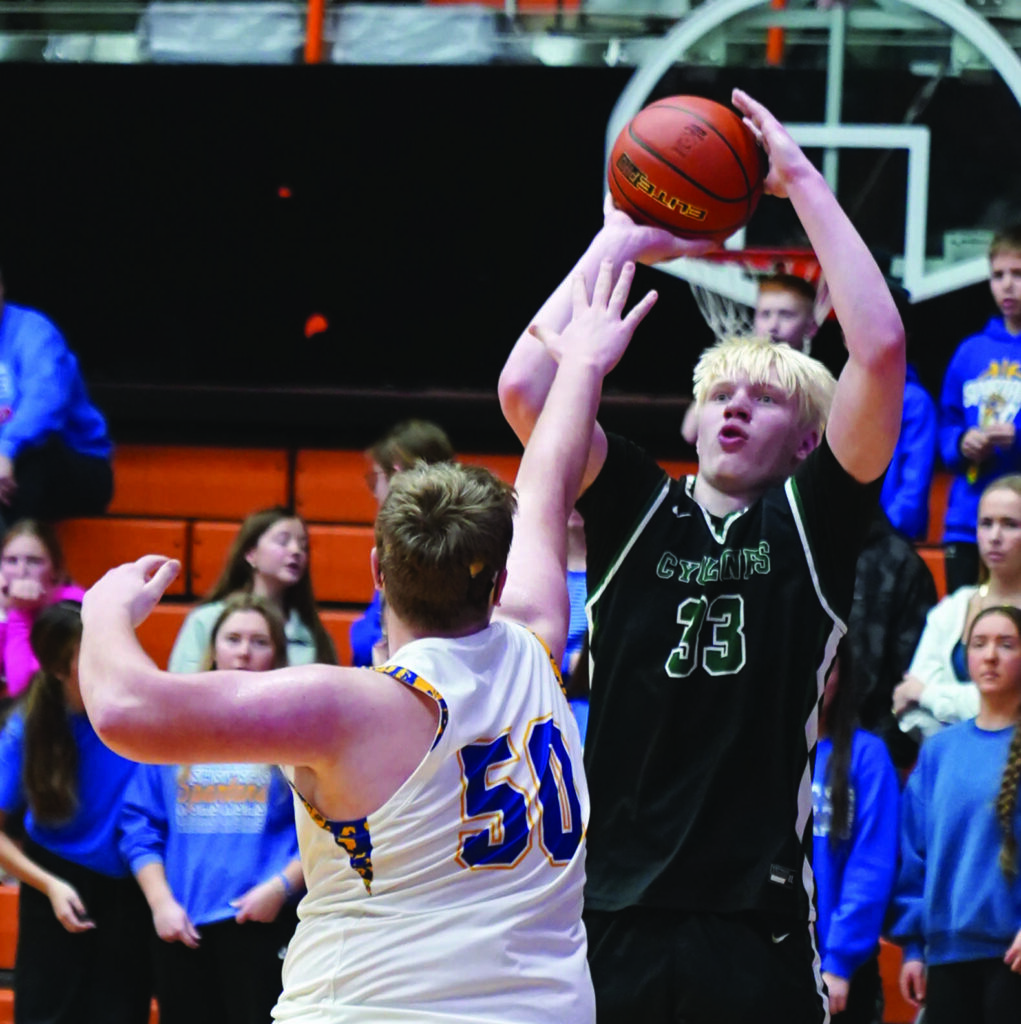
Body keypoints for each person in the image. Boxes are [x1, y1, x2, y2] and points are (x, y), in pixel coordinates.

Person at [76, 262, 658, 1021]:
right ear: (499, 575)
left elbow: (124, 709)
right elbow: (547, 478)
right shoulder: (537, 639)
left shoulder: (348, 706)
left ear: (377, 568)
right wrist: (583, 363)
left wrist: (103, 610)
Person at [499, 87, 905, 1023]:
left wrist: (796, 178)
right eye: (723, 389)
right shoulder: (638, 503)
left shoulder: (812, 523)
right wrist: (619, 242)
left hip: (751, 920)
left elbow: (877, 349)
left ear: (808, 441)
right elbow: (526, 387)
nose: (734, 404)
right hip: (609, 911)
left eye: (764, 399)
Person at [120, 594, 303, 1024]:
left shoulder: (299, 732)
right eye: (233, 638)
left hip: (262, 922)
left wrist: (281, 886)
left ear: (276, 653)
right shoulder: (175, 730)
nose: (243, 651)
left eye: (259, 641)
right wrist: (161, 901)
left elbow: (330, 827)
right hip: (184, 929)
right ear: (213, 649)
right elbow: (139, 826)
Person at [0, 601, 151, 1023]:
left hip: (127, 887)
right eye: (87, 660)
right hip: (55, 883)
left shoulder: (138, 714)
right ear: (58, 670)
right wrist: (50, 886)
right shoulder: (28, 728)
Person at [890, 604, 1021, 1022]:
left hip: (1013, 958)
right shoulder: (939, 752)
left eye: (1007, 644)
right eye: (979, 644)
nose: (991, 656)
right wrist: (913, 947)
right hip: (945, 956)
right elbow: (915, 853)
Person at [893, 473, 1021, 742]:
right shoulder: (953, 608)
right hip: (950, 764)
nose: (995, 536)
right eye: (986, 523)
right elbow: (909, 709)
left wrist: (928, 694)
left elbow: (1012, 705)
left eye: (1010, 524)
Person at [812, 639, 900, 1022]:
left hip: (840, 968)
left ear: (841, 677)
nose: (815, 678)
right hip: (769, 957)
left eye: (825, 667)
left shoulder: (867, 755)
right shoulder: (766, 754)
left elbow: (871, 865)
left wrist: (840, 961)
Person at [938, 225, 1021, 593]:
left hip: (1016, 522)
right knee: (966, 624)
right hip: (968, 520)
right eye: (999, 275)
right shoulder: (969, 351)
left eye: (1018, 274)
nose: (1007, 285)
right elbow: (947, 422)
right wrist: (961, 443)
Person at [0, 270, 113, 527]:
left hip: (77, 465)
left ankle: (12, 561)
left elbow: (45, 402)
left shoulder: (35, 333)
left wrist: (5, 449)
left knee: (31, 457)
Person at [168, 506, 335, 672]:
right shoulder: (206, 620)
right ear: (251, 553)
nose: (296, 551)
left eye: (303, 546)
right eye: (283, 541)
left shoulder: (313, 633)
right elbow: (181, 687)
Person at [350, 418, 455, 667]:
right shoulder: (400, 547)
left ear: (400, 476)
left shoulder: (432, 552)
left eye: (376, 478)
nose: (374, 491)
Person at [680, 272, 819, 444]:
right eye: (765, 314)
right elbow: (690, 432)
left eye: (786, 315)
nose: (773, 326)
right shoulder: (736, 371)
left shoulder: (817, 387)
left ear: (811, 326)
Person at [848, 509, 937, 771]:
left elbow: (911, 683)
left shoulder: (900, 563)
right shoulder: (786, 549)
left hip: (868, 753)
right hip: (789, 748)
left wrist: (876, 759)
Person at [0, 519, 85, 699]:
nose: (21, 571)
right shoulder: (6, 600)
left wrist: (19, 614)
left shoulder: (73, 607)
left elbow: (24, 688)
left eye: (34, 561)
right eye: (11, 561)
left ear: (55, 569)